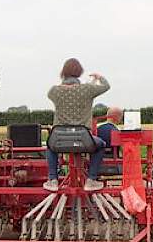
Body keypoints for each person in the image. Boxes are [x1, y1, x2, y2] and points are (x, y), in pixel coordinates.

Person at [43, 58, 110, 192]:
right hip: (84, 140)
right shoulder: (87, 89)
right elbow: (106, 86)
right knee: (101, 144)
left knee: (49, 146)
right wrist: (99, 77)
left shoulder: (54, 91)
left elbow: (54, 93)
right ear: (79, 72)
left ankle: (53, 179)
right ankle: (91, 180)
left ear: (63, 72)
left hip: (59, 140)